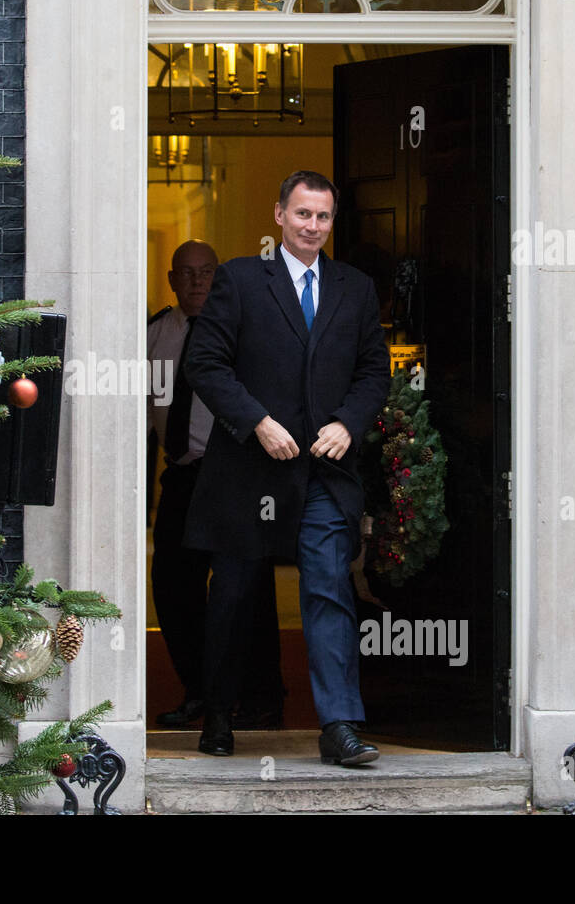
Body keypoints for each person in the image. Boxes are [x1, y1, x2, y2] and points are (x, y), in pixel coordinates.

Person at [182, 171, 391, 764]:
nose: (313, 227)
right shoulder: (242, 279)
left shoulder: (354, 287)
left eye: (323, 217)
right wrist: (257, 421)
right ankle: (219, 714)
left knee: (328, 589)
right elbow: (206, 362)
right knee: (235, 597)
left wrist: (349, 422)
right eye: (303, 215)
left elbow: (375, 372)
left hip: (323, 473)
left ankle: (339, 726)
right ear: (279, 216)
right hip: (250, 471)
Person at [148, 240, 285, 730]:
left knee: (246, 590)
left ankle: (261, 699)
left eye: (207, 272)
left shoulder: (242, 332)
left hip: (235, 476)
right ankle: (201, 694)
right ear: (171, 280)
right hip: (183, 475)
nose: (197, 282)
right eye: (186, 273)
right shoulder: (155, 334)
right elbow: (142, 409)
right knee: (173, 586)